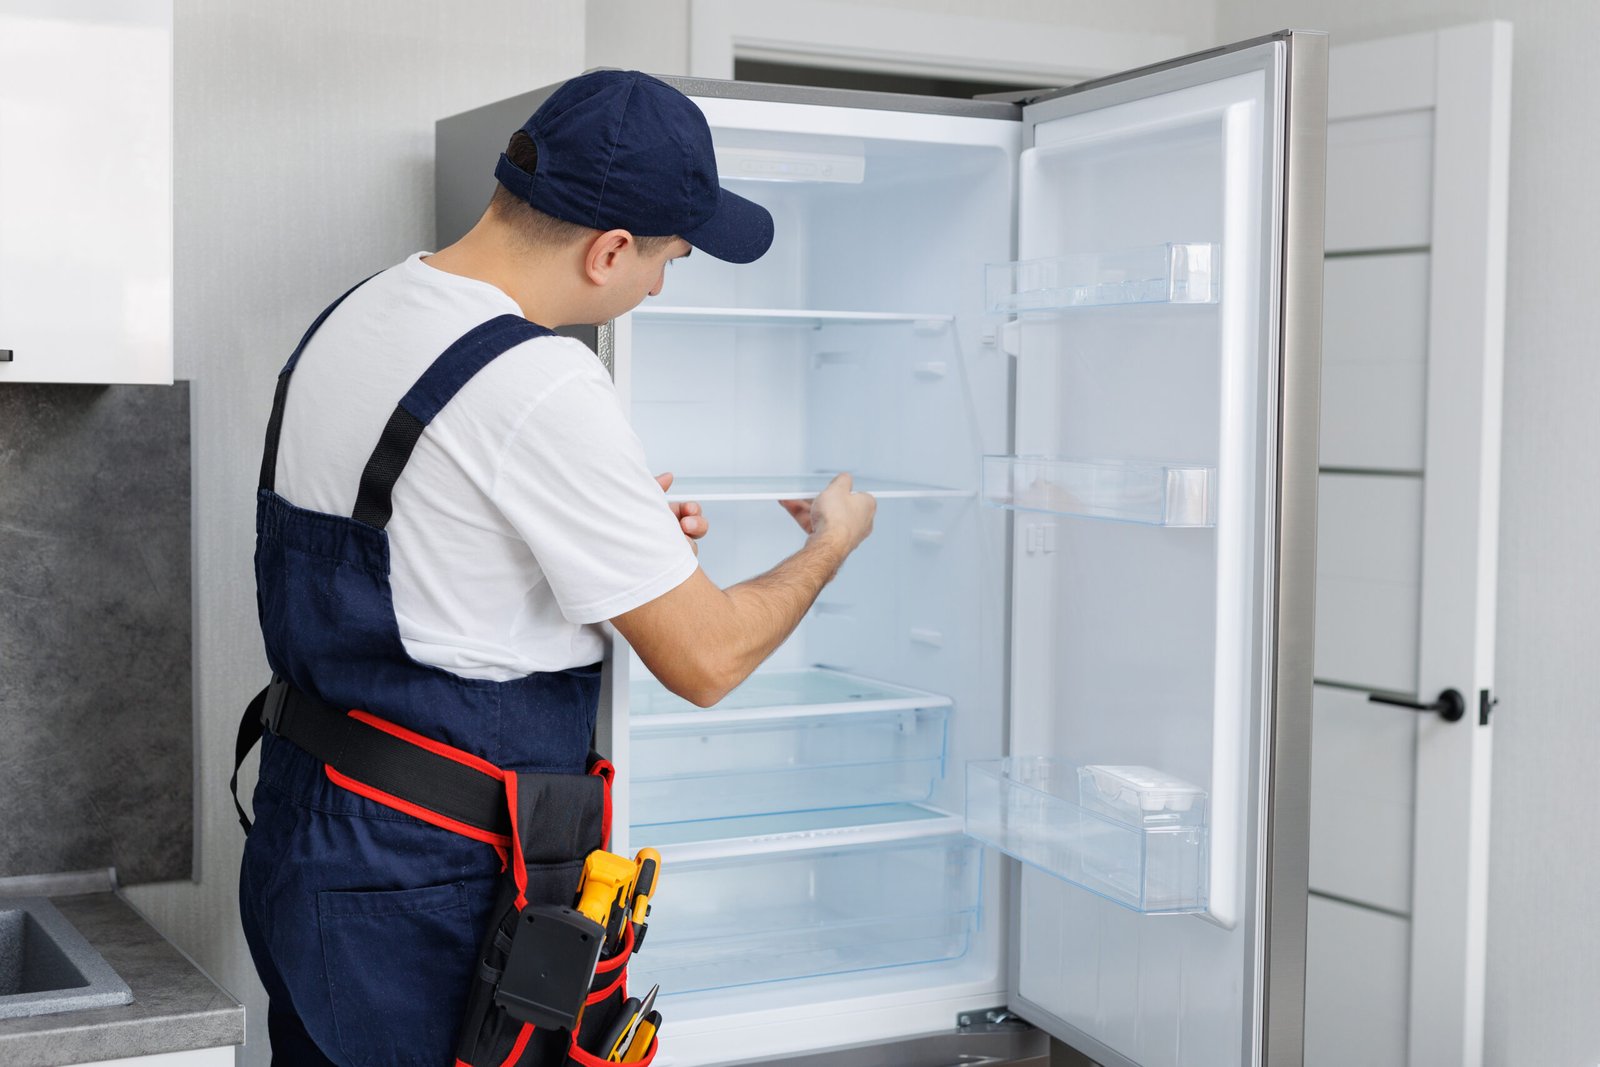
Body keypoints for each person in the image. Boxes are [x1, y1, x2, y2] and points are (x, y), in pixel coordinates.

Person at [235, 69, 876, 1066]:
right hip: (428, 882)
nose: (660, 284)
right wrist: (830, 542)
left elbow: (425, 525)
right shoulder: (542, 380)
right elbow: (705, 660)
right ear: (610, 249)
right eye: (669, 258)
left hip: (308, 827)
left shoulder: (360, 311)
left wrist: (607, 529)